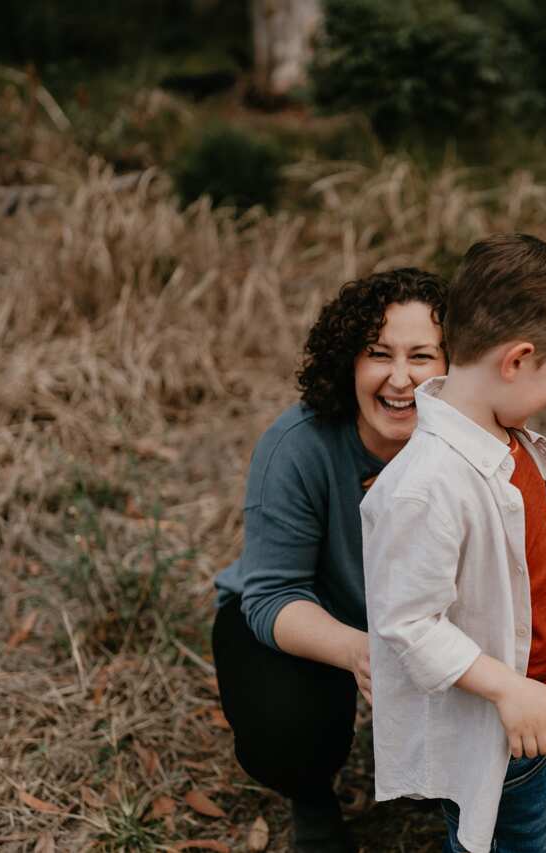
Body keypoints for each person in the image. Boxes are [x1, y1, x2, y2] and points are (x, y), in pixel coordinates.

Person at [362, 234, 546, 853]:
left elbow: (531, 538)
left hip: (536, 705)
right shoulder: (426, 486)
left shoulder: (506, 438)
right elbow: (411, 623)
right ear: (517, 360)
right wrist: (507, 689)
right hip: (496, 725)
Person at [211, 268, 448, 853]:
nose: (399, 378)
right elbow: (270, 596)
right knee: (285, 726)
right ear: (348, 361)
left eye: (421, 356)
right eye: (377, 354)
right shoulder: (299, 445)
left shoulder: (474, 442)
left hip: (427, 621)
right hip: (312, 618)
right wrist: (359, 652)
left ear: (454, 367)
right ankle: (311, 797)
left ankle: (440, 778)